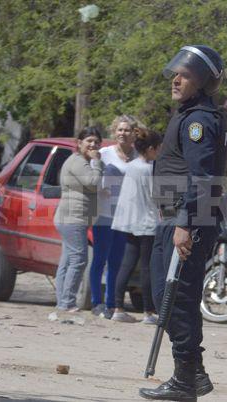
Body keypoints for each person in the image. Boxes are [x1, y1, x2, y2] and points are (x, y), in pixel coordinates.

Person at [138, 45, 227, 401]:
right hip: (175, 217)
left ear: (203, 81)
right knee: (168, 296)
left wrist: (185, 223)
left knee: (175, 297)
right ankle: (195, 374)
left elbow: (201, 177)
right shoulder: (190, 114)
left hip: (186, 219)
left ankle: (185, 380)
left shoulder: (198, 121)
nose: (176, 79)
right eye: (175, 73)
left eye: (185, 75)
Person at [110, 127, 162, 324]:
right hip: (147, 222)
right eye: (157, 148)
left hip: (129, 222)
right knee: (148, 267)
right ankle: (149, 312)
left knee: (127, 264)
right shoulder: (149, 169)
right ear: (150, 149)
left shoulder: (131, 165)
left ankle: (118, 308)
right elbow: (156, 197)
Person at [89, 115, 139, 318]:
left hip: (126, 215)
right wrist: (100, 190)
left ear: (134, 133)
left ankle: (112, 303)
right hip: (104, 213)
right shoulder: (104, 154)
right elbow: (92, 178)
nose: (122, 133)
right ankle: (96, 302)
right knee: (100, 258)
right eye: (119, 129)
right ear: (114, 131)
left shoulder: (138, 155)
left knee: (117, 261)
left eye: (127, 130)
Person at [52, 127, 104, 315]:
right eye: (89, 141)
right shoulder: (79, 162)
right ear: (79, 143)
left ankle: (63, 302)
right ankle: (67, 302)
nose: (93, 145)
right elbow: (92, 182)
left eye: (96, 142)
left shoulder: (80, 161)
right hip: (73, 218)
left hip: (71, 217)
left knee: (67, 260)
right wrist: (98, 162)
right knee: (79, 259)